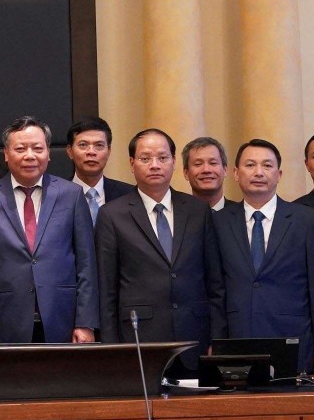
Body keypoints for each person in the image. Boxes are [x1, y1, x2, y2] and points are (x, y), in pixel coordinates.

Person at [96, 129, 226, 375]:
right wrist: (112, 347)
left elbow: (215, 283)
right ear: (132, 164)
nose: (155, 165)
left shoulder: (198, 211)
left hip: (195, 337)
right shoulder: (112, 215)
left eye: (163, 158)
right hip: (139, 340)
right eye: (145, 159)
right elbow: (107, 290)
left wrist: (217, 339)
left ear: (175, 162)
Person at [212, 139, 314, 375]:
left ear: (279, 174)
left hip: (293, 340)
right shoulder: (219, 222)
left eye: (267, 166)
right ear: (236, 174)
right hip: (237, 340)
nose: (259, 172)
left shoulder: (306, 221)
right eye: (250, 165)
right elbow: (215, 290)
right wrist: (216, 342)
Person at [0, 117, 98, 344]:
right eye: (20, 149)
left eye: (38, 148)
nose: (30, 155)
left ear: (48, 153)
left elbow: (86, 264)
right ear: (7, 155)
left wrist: (85, 322)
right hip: (6, 321)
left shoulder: (71, 195)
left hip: (63, 319)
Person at [66, 117, 131, 225]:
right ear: (70, 151)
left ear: (109, 151)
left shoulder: (128, 195)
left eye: (99, 145)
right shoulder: (57, 196)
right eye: (83, 145)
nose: (91, 152)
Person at [182, 137, 229, 211]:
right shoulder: (177, 217)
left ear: (225, 170)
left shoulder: (243, 215)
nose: (206, 170)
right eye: (198, 164)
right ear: (186, 173)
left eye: (213, 163)